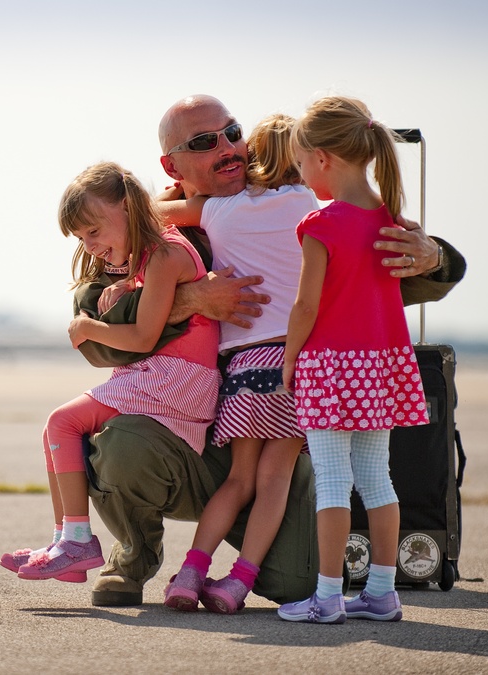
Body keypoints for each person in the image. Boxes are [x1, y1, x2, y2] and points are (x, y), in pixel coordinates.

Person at [81, 95, 465, 609]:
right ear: (171, 165)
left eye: (233, 132)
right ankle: (135, 557)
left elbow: (429, 270)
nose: (226, 147)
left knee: (293, 582)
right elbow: (90, 323)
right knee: (121, 444)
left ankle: (212, 574)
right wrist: (187, 298)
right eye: (203, 142)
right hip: (183, 432)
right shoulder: (148, 234)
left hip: (254, 418)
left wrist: (433, 255)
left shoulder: (305, 211)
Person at [0, 161, 221, 583]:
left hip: (175, 380)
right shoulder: (150, 257)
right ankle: (65, 540)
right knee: (56, 432)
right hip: (166, 376)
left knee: (61, 422)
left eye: (94, 231)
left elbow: (141, 337)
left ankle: (78, 541)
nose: (91, 245)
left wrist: (88, 327)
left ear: (127, 206)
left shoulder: (165, 255)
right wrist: (126, 284)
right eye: (82, 237)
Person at [154, 114, 319, 613]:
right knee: (275, 480)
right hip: (297, 362)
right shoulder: (309, 207)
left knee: (238, 480)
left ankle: (189, 572)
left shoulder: (218, 211)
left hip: (245, 366)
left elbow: (153, 208)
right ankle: (238, 582)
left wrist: (181, 196)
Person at [276, 95, 430, 623]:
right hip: (382, 366)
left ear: (323, 158)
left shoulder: (321, 223)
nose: (301, 174)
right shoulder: (391, 220)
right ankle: (383, 592)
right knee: (377, 478)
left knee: (334, 482)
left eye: (299, 163)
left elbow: (305, 305)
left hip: (330, 367)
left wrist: (290, 360)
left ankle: (327, 596)